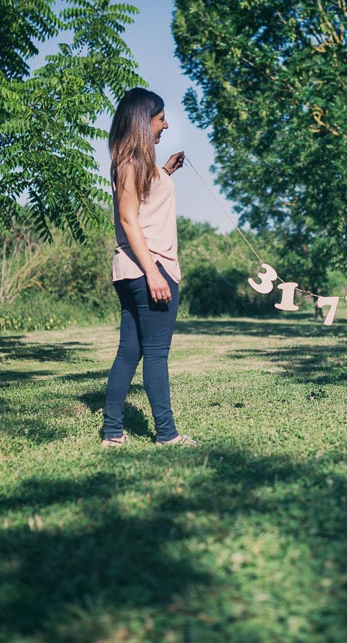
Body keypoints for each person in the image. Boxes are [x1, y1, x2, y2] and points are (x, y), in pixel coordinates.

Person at [101, 87, 197, 446]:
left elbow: (143, 204)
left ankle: (112, 433)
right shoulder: (129, 165)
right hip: (149, 269)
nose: (166, 125)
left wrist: (167, 172)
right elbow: (129, 221)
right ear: (144, 122)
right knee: (156, 354)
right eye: (160, 119)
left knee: (129, 352)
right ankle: (167, 435)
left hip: (132, 271)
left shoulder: (136, 166)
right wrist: (154, 272)